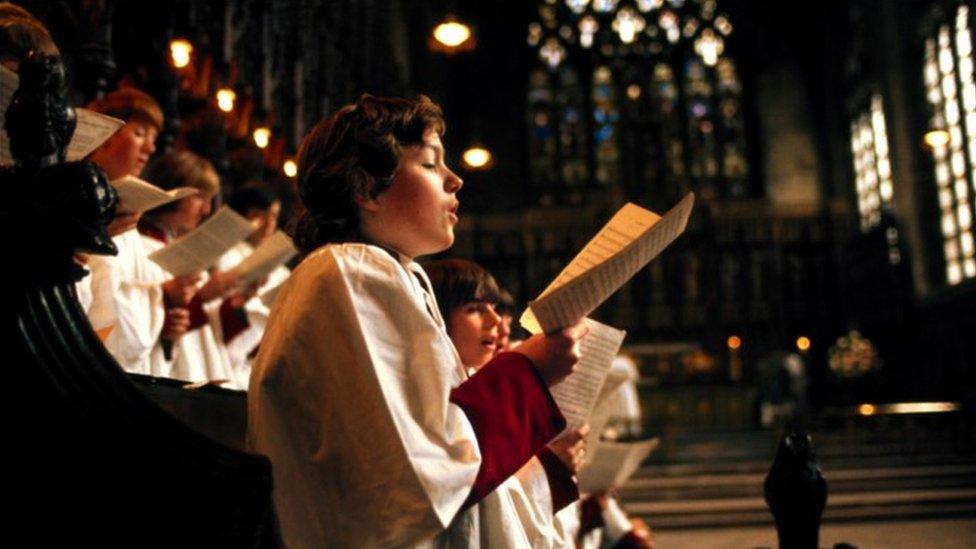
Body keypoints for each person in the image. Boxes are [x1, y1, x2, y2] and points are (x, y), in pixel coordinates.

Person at [247, 94, 588, 547]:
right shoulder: (349, 273)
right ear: (367, 188)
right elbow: (414, 480)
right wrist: (528, 370)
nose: (455, 180)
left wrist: (546, 464)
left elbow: (440, 460)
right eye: (430, 165)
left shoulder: (386, 274)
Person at [426, 258, 588, 547]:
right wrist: (549, 468)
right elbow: (460, 488)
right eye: (475, 309)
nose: (495, 322)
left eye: (495, 308)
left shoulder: (471, 378)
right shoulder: (431, 393)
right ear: (436, 318)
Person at [135, 150, 255, 388]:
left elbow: (218, 332)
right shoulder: (138, 246)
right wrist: (201, 297)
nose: (206, 210)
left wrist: (235, 302)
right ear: (175, 191)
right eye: (201, 197)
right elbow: (139, 326)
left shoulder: (179, 248)